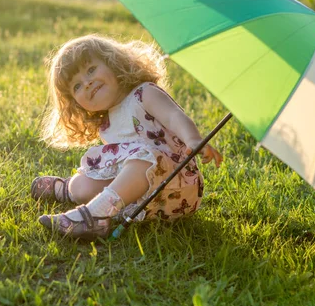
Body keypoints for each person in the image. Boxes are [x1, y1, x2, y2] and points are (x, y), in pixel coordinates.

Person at [31, 34, 223, 240]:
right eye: (76, 86)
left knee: (143, 157)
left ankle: (95, 216)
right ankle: (67, 189)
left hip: (176, 186)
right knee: (84, 185)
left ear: (113, 62)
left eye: (91, 69)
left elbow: (174, 116)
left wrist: (193, 139)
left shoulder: (144, 94)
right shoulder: (106, 123)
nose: (86, 83)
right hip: (143, 198)